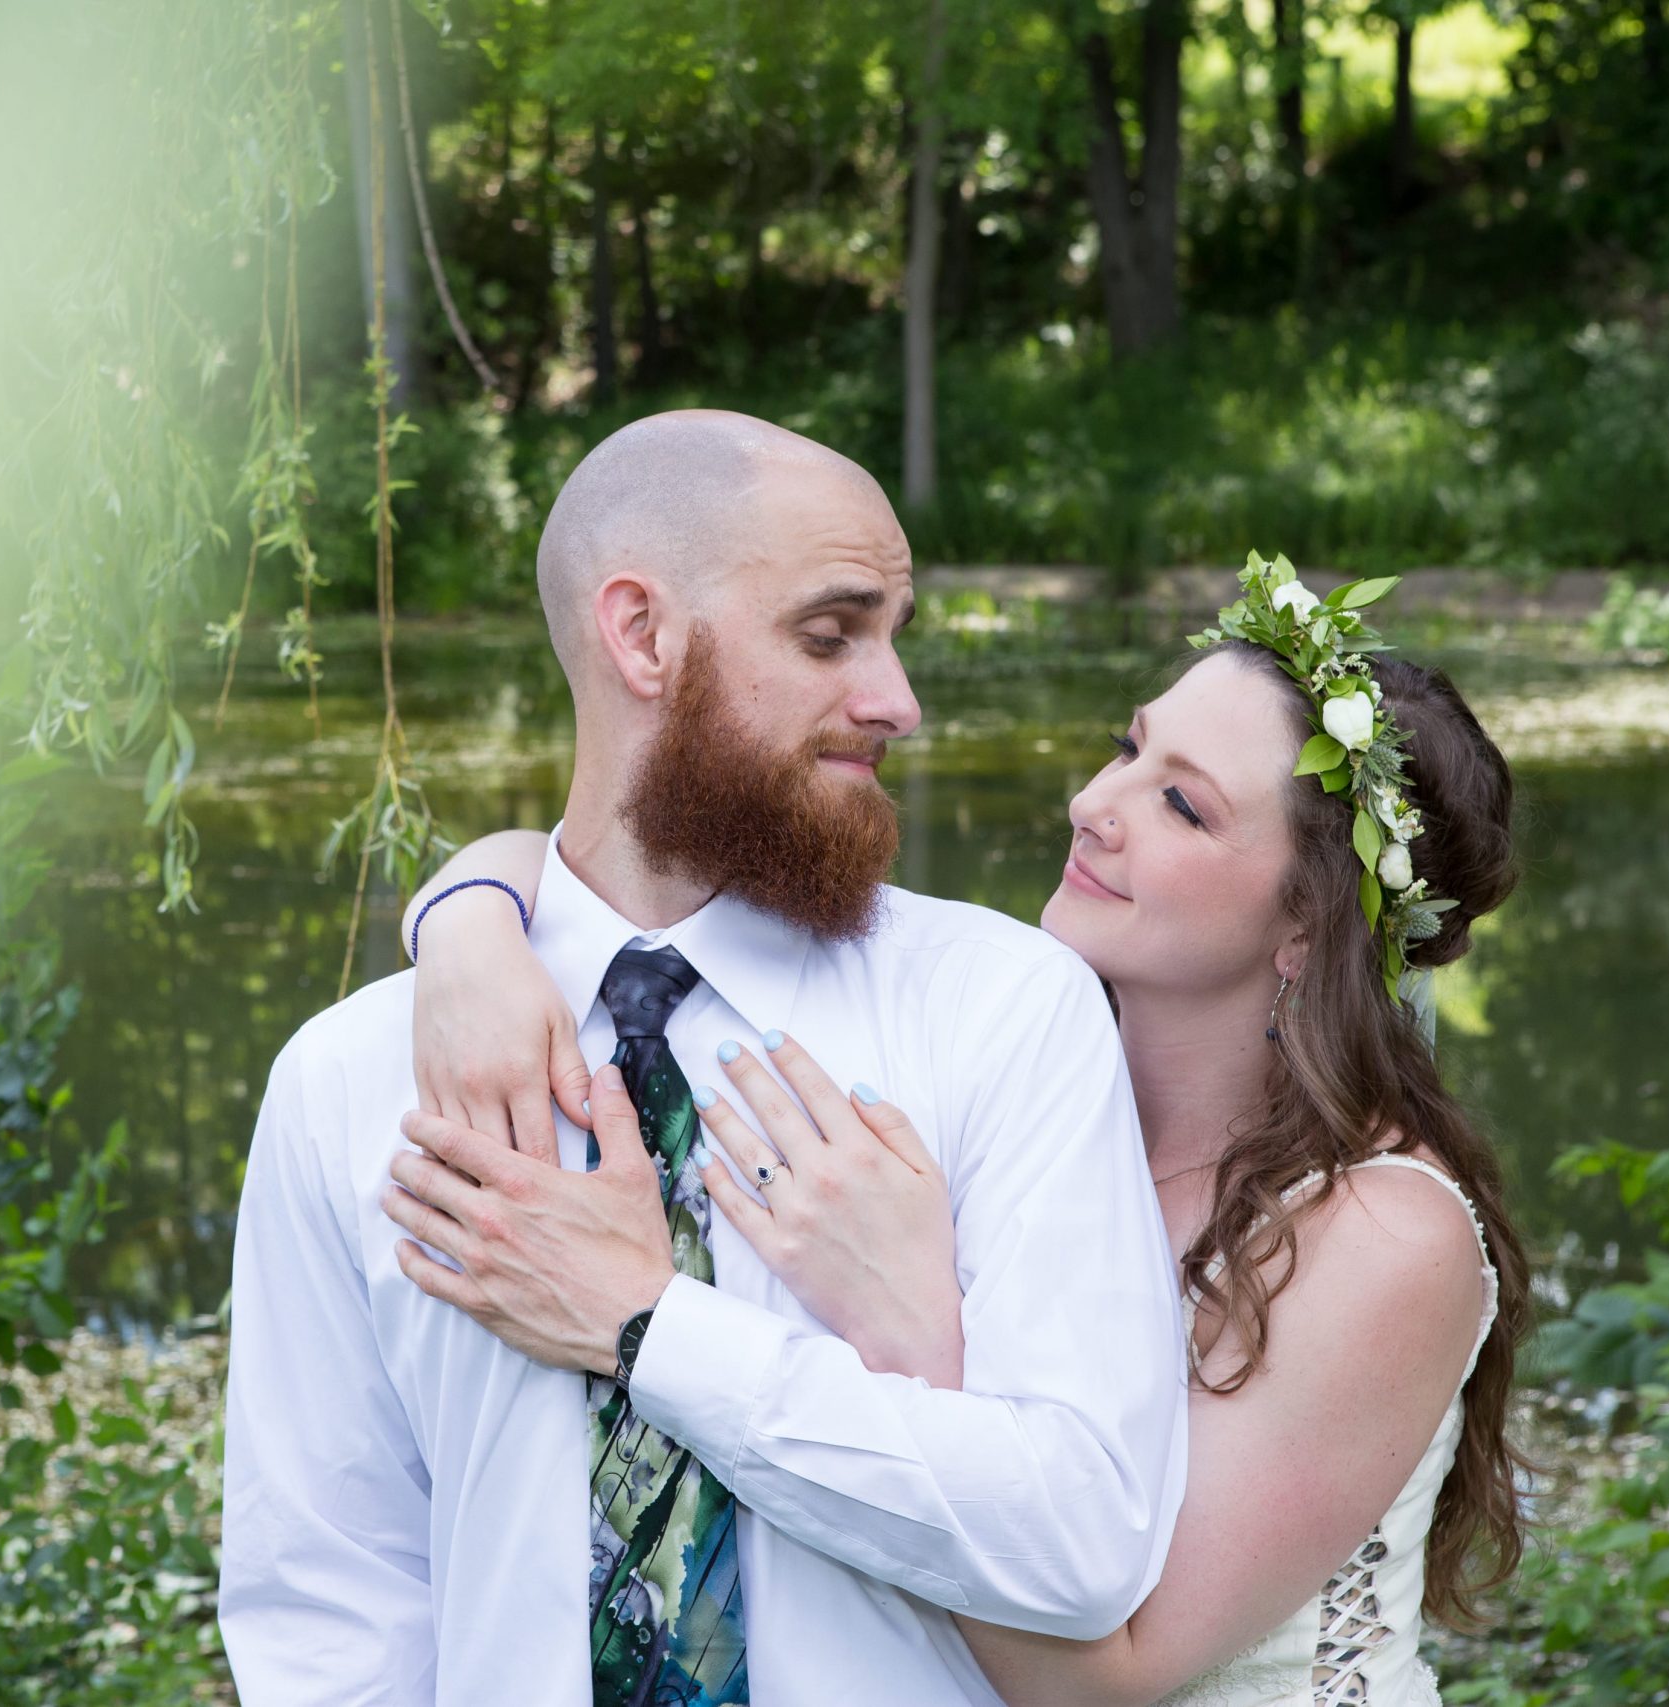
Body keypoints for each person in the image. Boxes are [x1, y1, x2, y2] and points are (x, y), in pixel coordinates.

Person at [400, 552, 1533, 1706]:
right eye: (1128, 748)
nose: (1096, 805)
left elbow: (1102, 1679)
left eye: (1181, 804)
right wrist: (468, 914)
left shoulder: (1383, 1237)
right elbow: (636, 882)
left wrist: (911, 1333)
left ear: (1307, 920)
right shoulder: (1004, 1057)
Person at [217, 411, 1189, 1706]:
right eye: (830, 634)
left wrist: (653, 1325)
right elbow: (331, 1599)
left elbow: (1085, 1548)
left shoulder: (1004, 1009)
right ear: (643, 635)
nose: (896, 699)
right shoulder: (353, 1079)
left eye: (894, 637)